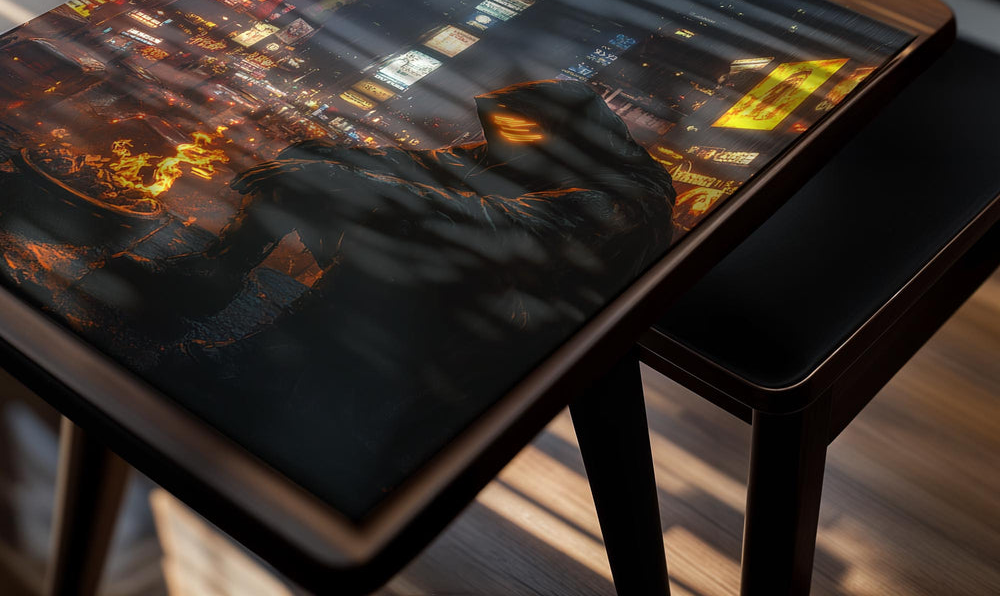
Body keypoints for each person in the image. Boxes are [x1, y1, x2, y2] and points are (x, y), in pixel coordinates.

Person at [79, 79, 676, 516]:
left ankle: (269, 367)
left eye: (525, 129)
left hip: (521, 326)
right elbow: (421, 167)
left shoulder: (627, 193)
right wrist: (320, 159)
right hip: (472, 285)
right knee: (321, 167)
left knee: (401, 240)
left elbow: (504, 226)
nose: (506, 139)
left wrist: (352, 182)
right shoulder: (516, 152)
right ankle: (211, 280)